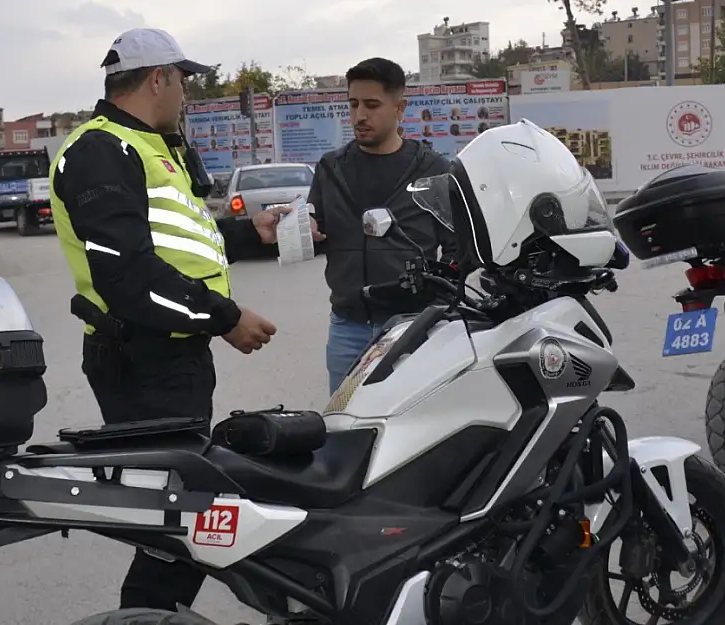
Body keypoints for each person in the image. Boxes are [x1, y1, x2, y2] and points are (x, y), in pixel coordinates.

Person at [48, 27, 285, 613]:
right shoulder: (101, 150)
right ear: (158, 78)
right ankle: (146, 616)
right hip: (142, 360)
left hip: (169, 358)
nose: (184, 94)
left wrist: (246, 235)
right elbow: (127, 277)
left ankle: (153, 614)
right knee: (179, 518)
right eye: (182, 81)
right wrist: (224, 318)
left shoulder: (147, 145)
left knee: (178, 514)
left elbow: (176, 243)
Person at [307, 58, 457, 394]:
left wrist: (436, 297)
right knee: (343, 430)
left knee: (414, 431)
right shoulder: (331, 168)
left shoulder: (432, 169)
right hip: (348, 327)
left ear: (399, 108)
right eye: (354, 104)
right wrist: (302, 232)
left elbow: (457, 247)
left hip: (412, 328)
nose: (360, 115)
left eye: (372, 105)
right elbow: (315, 233)